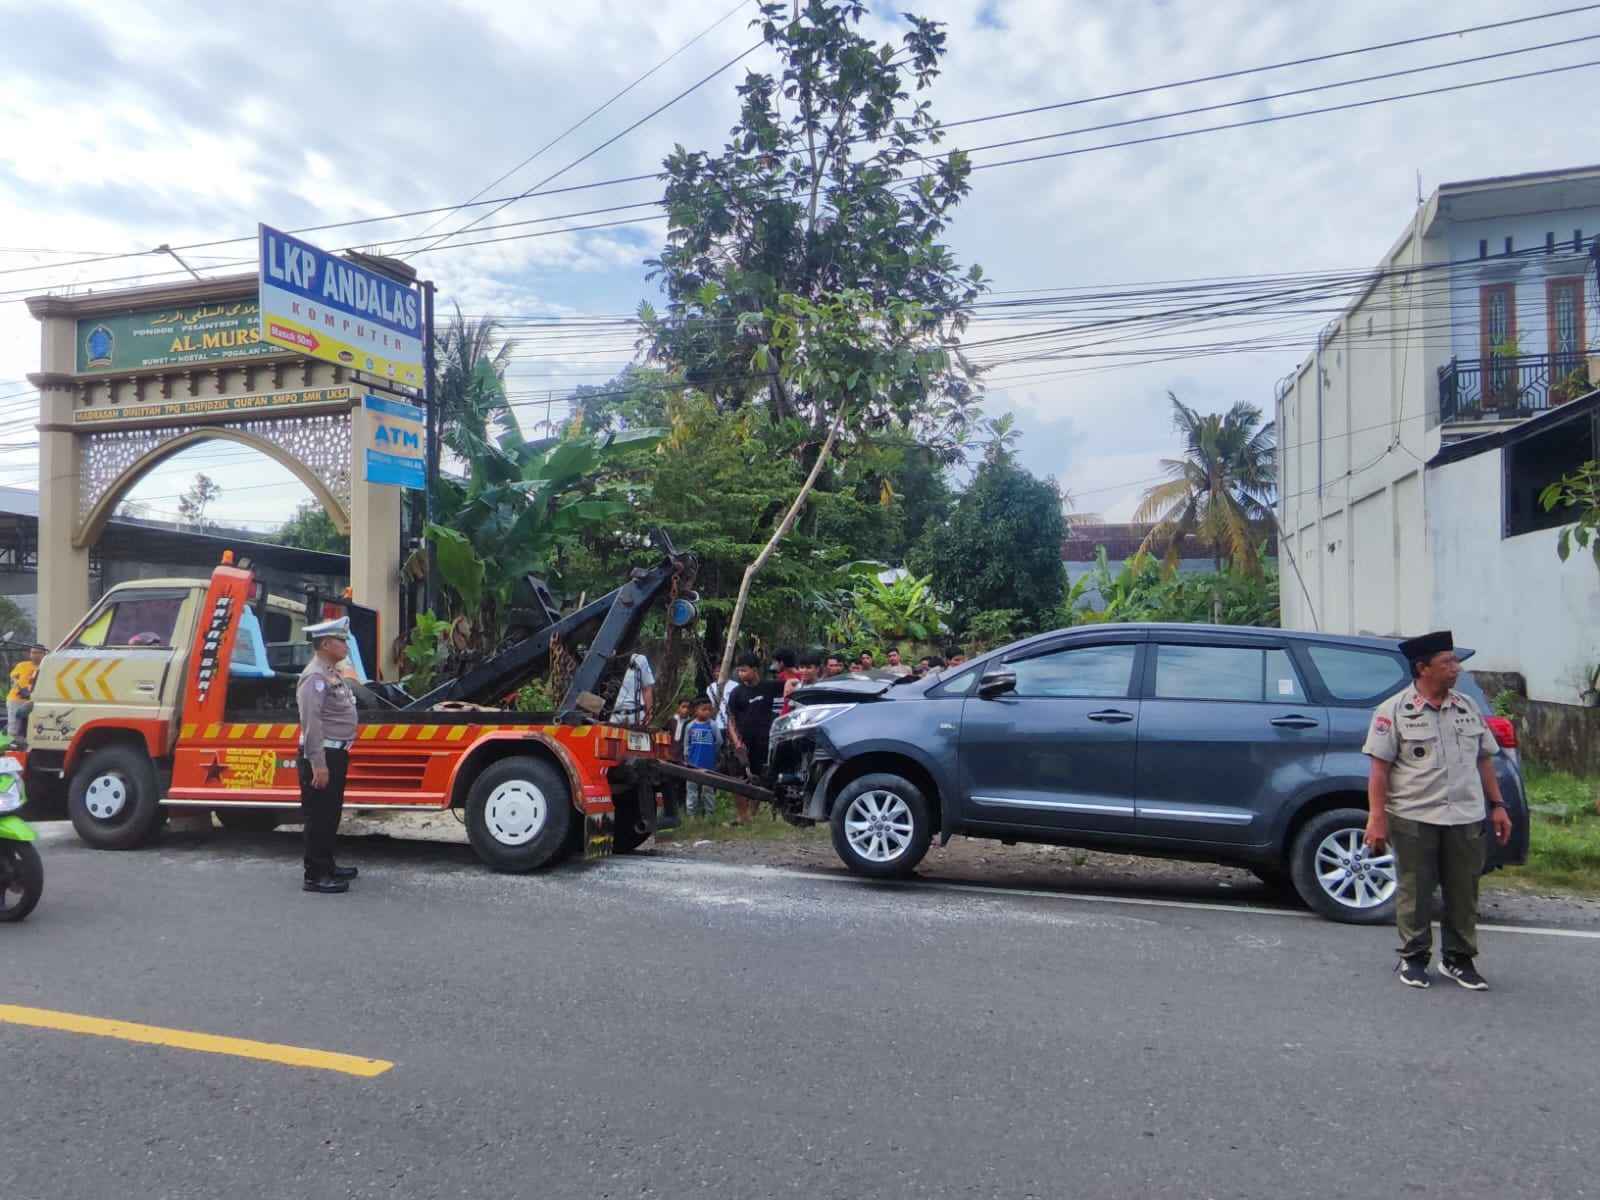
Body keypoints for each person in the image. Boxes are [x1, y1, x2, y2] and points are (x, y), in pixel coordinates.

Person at [1362, 630, 1512, 991]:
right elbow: (1379, 771)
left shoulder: (1466, 707)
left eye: (1455, 661)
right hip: (1415, 816)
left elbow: (1484, 760)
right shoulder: (1394, 711)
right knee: (1416, 890)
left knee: (1464, 891)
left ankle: (1459, 959)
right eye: (1447, 662)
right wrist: (1376, 818)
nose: (1455, 668)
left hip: (1466, 816)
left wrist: (1498, 806)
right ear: (1422, 667)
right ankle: (1413, 957)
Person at [297, 617, 360, 895]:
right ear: (325, 644)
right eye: (341, 641)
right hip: (324, 753)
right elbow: (311, 722)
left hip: (336, 752)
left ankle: (328, 864)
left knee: (330, 813)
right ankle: (315, 875)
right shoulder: (315, 677)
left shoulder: (331, 673)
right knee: (319, 816)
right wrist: (317, 763)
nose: (346, 645)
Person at [727, 652, 782, 823]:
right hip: (743, 742)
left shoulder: (769, 687)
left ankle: (752, 815)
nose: (740, 674)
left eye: (744, 670)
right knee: (737, 779)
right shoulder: (736, 693)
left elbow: (792, 685)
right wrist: (736, 742)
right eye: (739, 671)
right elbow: (730, 719)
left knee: (758, 777)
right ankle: (742, 815)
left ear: (755, 670)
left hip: (763, 741)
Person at [682, 698, 723, 819]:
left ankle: (709, 815)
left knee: (708, 790)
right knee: (691, 790)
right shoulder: (690, 726)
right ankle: (691, 815)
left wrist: (713, 754)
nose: (707, 712)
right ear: (695, 711)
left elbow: (719, 742)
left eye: (709, 710)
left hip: (708, 764)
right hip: (692, 764)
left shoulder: (713, 725)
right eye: (703, 709)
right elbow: (686, 745)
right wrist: (686, 759)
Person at [7, 643, 45, 741]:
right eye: (33, 652)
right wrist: (20, 688)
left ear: (43, 654)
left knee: (34, 726)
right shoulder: (22, 665)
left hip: (34, 700)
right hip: (17, 699)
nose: (34, 655)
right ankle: (12, 746)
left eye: (38, 653)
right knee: (14, 726)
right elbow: (13, 677)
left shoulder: (45, 667)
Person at [612, 652, 655, 727]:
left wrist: (649, 713)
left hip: (635, 716)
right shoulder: (601, 656)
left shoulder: (640, 659)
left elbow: (647, 689)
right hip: (611, 717)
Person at [781, 650, 822, 715]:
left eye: (809, 667)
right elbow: (789, 710)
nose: (804, 670)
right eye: (802, 667)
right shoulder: (795, 687)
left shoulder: (823, 686)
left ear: (817, 669)